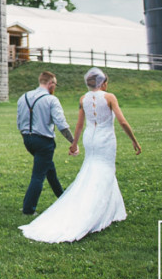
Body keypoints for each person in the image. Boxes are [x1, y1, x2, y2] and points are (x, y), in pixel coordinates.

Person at [19, 67, 142, 243]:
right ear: (103, 83)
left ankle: (114, 210)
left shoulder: (83, 99)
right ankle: (93, 212)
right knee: (104, 172)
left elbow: (79, 125)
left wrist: (75, 143)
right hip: (105, 139)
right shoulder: (110, 97)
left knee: (94, 171)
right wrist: (134, 140)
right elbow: (122, 121)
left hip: (90, 139)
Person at [17, 71, 75, 216]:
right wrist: (73, 142)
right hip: (44, 141)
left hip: (27, 139)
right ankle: (28, 210)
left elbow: (19, 121)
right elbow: (61, 124)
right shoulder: (51, 100)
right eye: (55, 84)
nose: (55, 87)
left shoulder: (23, 97)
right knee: (38, 176)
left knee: (49, 170)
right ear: (50, 84)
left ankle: (62, 198)